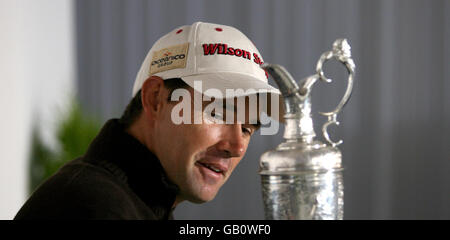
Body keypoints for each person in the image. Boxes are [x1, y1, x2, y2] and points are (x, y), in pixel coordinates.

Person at [14, 22, 280, 220]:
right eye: (219, 113)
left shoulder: (134, 203)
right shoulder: (91, 206)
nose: (237, 147)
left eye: (247, 129)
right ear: (155, 99)